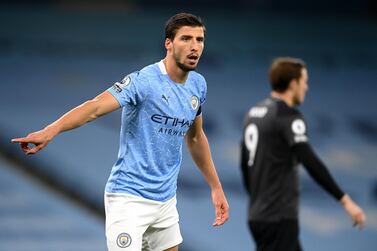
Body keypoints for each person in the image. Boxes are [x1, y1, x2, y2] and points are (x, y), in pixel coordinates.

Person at [11, 13, 229, 251]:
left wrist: (216, 187)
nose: (194, 46)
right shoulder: (144, 81)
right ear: (169, 43)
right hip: (129, 199)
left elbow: (196, 137)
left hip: (165, 201)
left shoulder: (198, 85)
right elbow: (94, 107)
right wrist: (51, 130)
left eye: (199, 40)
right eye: (186, 39)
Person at [240, 57, 366, 251]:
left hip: (258, 214)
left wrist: (258, 199)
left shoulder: (254, 113)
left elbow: (244, 164)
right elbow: (309, 159)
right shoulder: (288, 116)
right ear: (293, 84)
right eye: (304, 82)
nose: (306, 88)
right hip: (279, 216)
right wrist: (345, 200)